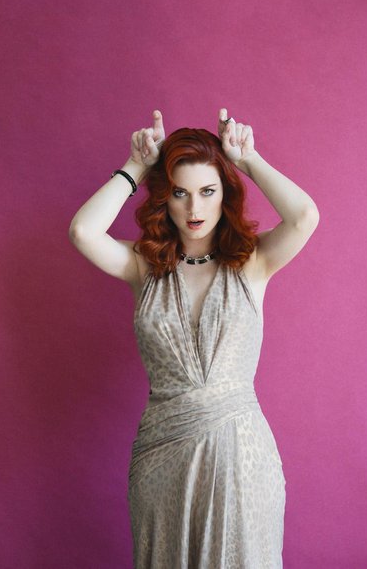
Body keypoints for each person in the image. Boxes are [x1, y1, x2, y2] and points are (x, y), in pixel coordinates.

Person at [69, 108, 319, 568]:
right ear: (165, 198)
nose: (194, 209)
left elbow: (304, 216)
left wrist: (248, 159)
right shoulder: (143, 266)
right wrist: (135, 166)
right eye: (180, 193)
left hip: (242, 462)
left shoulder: (253, 262)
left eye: (207, 191)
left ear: (225, 194)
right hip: (162, 459)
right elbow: (83, 231)